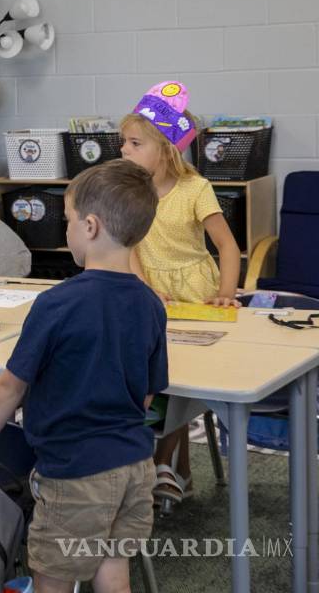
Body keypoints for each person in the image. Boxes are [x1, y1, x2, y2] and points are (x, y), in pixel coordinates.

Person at [0, 159, 167, 593]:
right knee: (112, 571)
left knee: (53, 579)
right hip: (135, 468)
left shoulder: (57, 303)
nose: (65, 229)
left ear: (90, 227)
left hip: (74, 473)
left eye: (67, 220)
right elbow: (147, 396)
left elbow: (10, 386)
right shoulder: (150, 304)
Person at [119, 80, 242, 508]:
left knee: (180, 375)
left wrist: (226, 293)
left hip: (195, 295)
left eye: (134, 143)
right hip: (153, 295)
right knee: (159, 375)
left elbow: (227, 246)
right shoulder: (131, 194)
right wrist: (146, 291)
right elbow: (130, 246)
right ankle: (176, 470)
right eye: (124, 143)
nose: (123, 150)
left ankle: (161, 465)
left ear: (166, 149)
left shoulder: (195, 189)